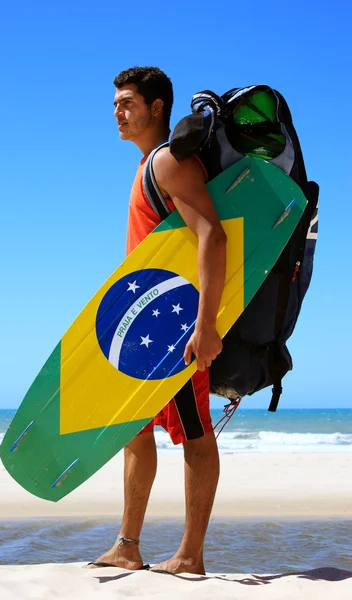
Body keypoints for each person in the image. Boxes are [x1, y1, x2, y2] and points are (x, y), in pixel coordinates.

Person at [90, 67, 227, 575]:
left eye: (127, 102)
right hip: (146, 331)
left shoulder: (168, 162)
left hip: (178, 329)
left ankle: (190, 555)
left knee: (194, 432)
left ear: (157, 107)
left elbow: (212, 235)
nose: (118, 111)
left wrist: (206, 324)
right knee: (134, 430)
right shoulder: (147, 166)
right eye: (116, 104)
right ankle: (128, 544)